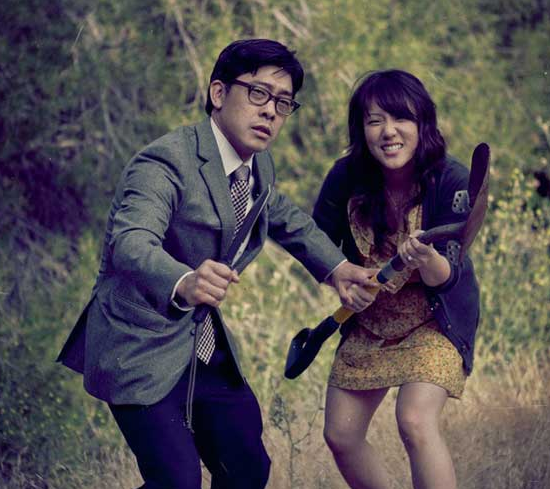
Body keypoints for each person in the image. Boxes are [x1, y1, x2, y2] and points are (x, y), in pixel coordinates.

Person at [57, 39, 375, 489]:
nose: (270, 111)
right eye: (259, 93)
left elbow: (283, 215)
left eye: (283, 103)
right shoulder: (165, 161)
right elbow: (130, 242)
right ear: (219, 93)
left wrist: (338, 269)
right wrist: (185, 279)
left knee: (247, 470)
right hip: (138, 342)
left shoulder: (257, 165)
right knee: (177, 480)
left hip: (201, 343)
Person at [313, 69, 480, 489]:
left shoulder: (451, 179)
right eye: (375, 121)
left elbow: (448, 275)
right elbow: (315, 243)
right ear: (362, 130)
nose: (389, 132)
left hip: (434, 320)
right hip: (370, 321)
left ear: (422, 123)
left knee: (415, 420)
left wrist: (426, 258)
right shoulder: (346, 176)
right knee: (340, 434)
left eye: (401, 118)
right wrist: (342, 280)